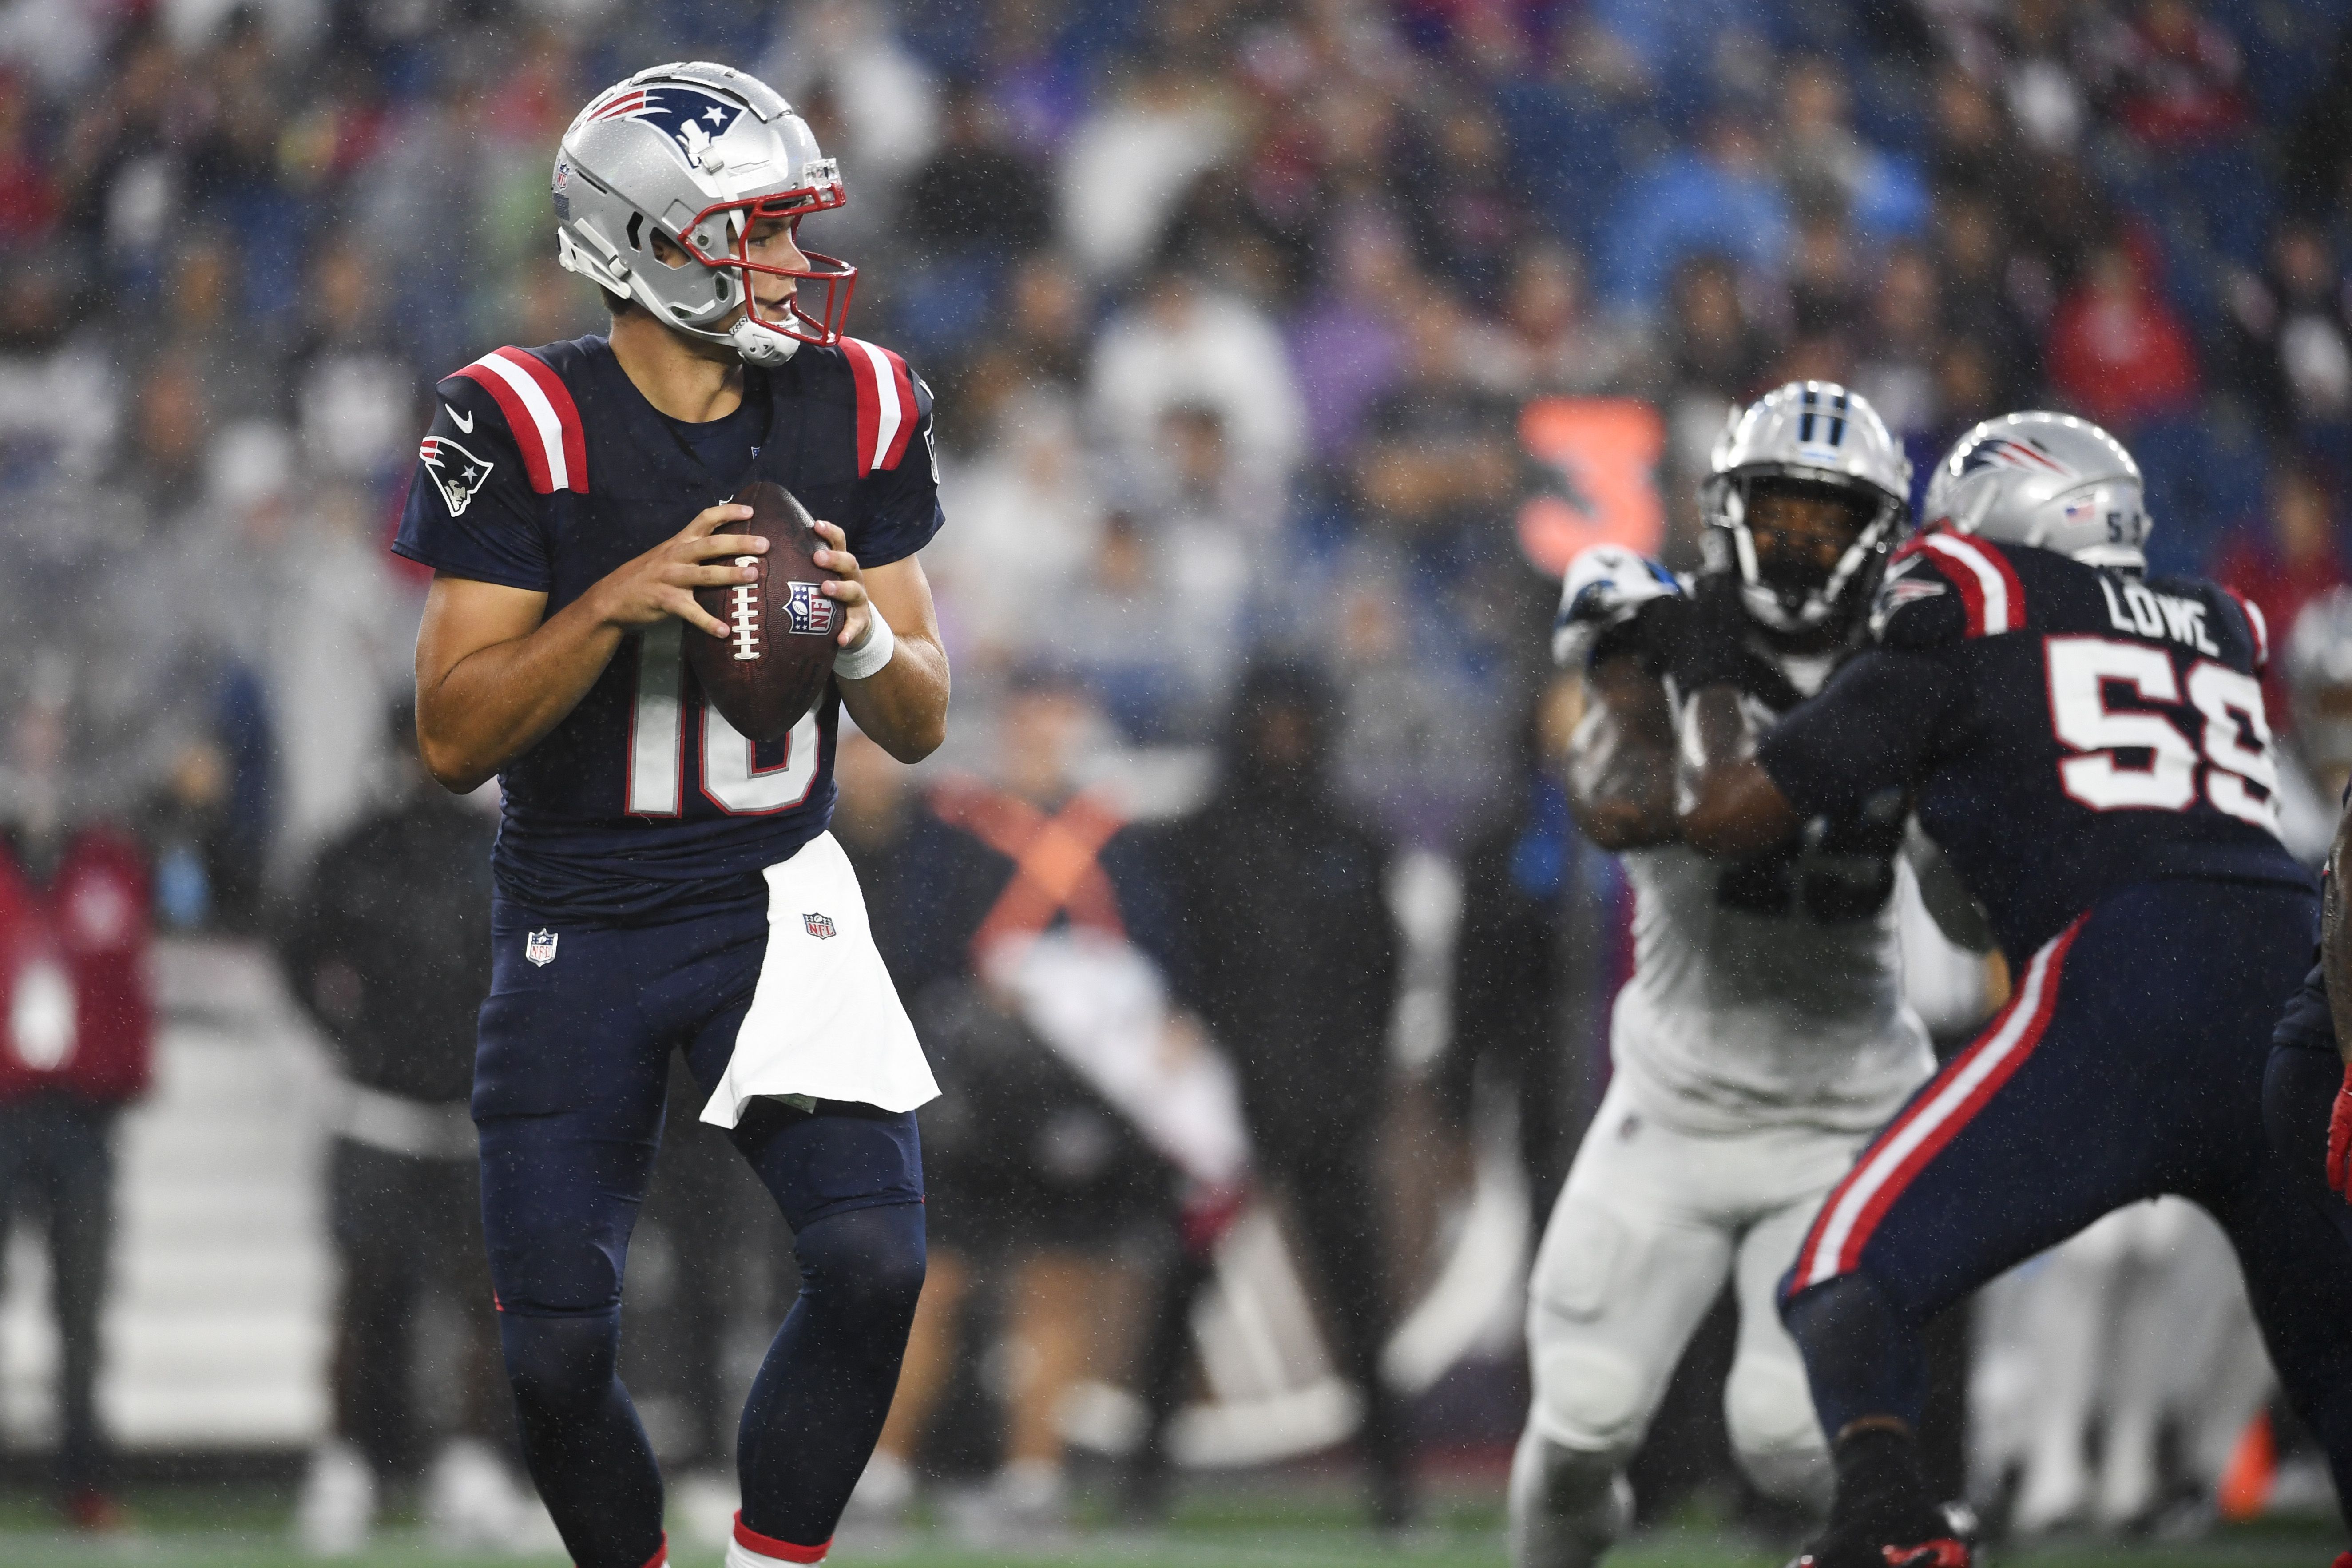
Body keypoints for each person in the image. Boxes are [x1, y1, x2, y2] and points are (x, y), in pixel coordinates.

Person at [395, 63, 950, 1568]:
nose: (789, 263)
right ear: (649, 243)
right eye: (756, 231)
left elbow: (921, 715)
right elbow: (450, 735)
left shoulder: (859, 400)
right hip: (581, 913)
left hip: (779, 900)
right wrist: (610, 608)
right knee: (557, 1359)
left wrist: (857, 640)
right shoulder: (519, 418)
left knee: (871, 1256)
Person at [1668, 411, 2352, 1567]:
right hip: (2291, 974)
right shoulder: (2218, 623)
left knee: (1846, 1266)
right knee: (2335, 1344)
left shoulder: (1971, 597)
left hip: (2131, 966)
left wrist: (1701, 671)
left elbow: (1729, 818)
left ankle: (1888, 1527)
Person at [1512, 383, 1940, 1568]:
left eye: (1825, 516)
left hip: (1844, 1114)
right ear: (1726, 512)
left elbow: (1962, 884)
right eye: (1778, 511)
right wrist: (1650, 683)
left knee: (1792, 1439)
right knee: (1580, 1424)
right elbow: (1631, 808)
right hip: (1678, 1105)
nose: (1797, 542)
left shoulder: (1919, 664)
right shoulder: (1657, 644)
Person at [1154, 659, 1412, 1528]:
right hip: (1222, 1113)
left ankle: (1395, 1484)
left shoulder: (1354, 837)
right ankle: (1142, 1480)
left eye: (1299, 718)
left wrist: (1357, 1084)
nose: (1283, 735)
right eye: (1269, 718)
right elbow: (1175, 968)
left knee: (1359, 1300)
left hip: (1330, 1105)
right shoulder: (1197, 838)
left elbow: (1384, 973)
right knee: (1179, 1290)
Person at [279, 705, 524, 1553]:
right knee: (365, 1293)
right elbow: (297, 952)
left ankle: (473, 1463)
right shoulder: (355, 850)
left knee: (481, 1298)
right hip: (376, 1106)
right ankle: (349, 1462)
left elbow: (533, 955)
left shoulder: (497, 850)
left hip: (471, 1109)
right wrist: (348, 1038)